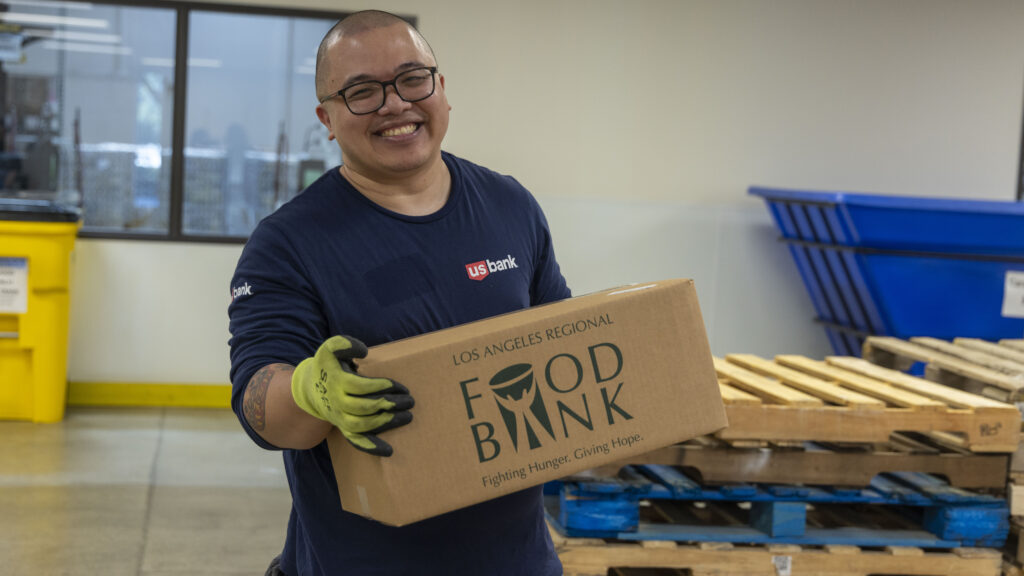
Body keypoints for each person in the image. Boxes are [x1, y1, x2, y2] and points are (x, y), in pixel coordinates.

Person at [227, 10, 570, 576]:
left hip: (518, 561)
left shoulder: (511, 206)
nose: (394, 103)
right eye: (362, 91)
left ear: (442, 89)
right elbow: (259, 406)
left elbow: (558, 342)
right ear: (327, 119)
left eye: (413, 78)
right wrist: (310, 391)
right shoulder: (287, 242)